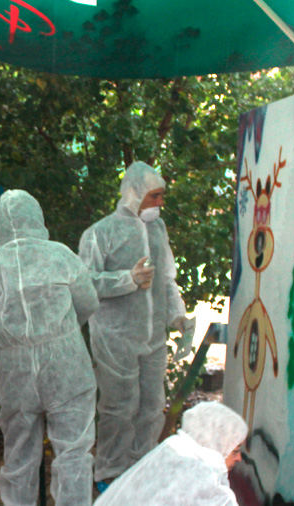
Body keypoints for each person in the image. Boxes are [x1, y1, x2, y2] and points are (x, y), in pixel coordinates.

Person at [0, 189, 100, 506]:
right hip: (67, 364)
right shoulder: (60, 255)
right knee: (74, 452)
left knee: (19, 454)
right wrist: (60, 332)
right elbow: (87, 304)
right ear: (38, 217)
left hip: (15, 372)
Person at [78, 161, 193, 491]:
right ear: (134, 194)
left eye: (161, 196)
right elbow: (84, 284)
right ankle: (110, 474)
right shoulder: (100, 233)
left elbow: (167, 279)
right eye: (154, 196)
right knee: (118, 408)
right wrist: (126, 279)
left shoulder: (158, 229)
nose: (160, 203)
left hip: (153, 336)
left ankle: (144, 469)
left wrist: (178, 317)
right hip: (116, 338)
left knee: (151, 406)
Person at [94, 402, 247, 506]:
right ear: (217, 445)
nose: (239, 458)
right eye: (235, 450)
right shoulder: (202, 480)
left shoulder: (173, 449)